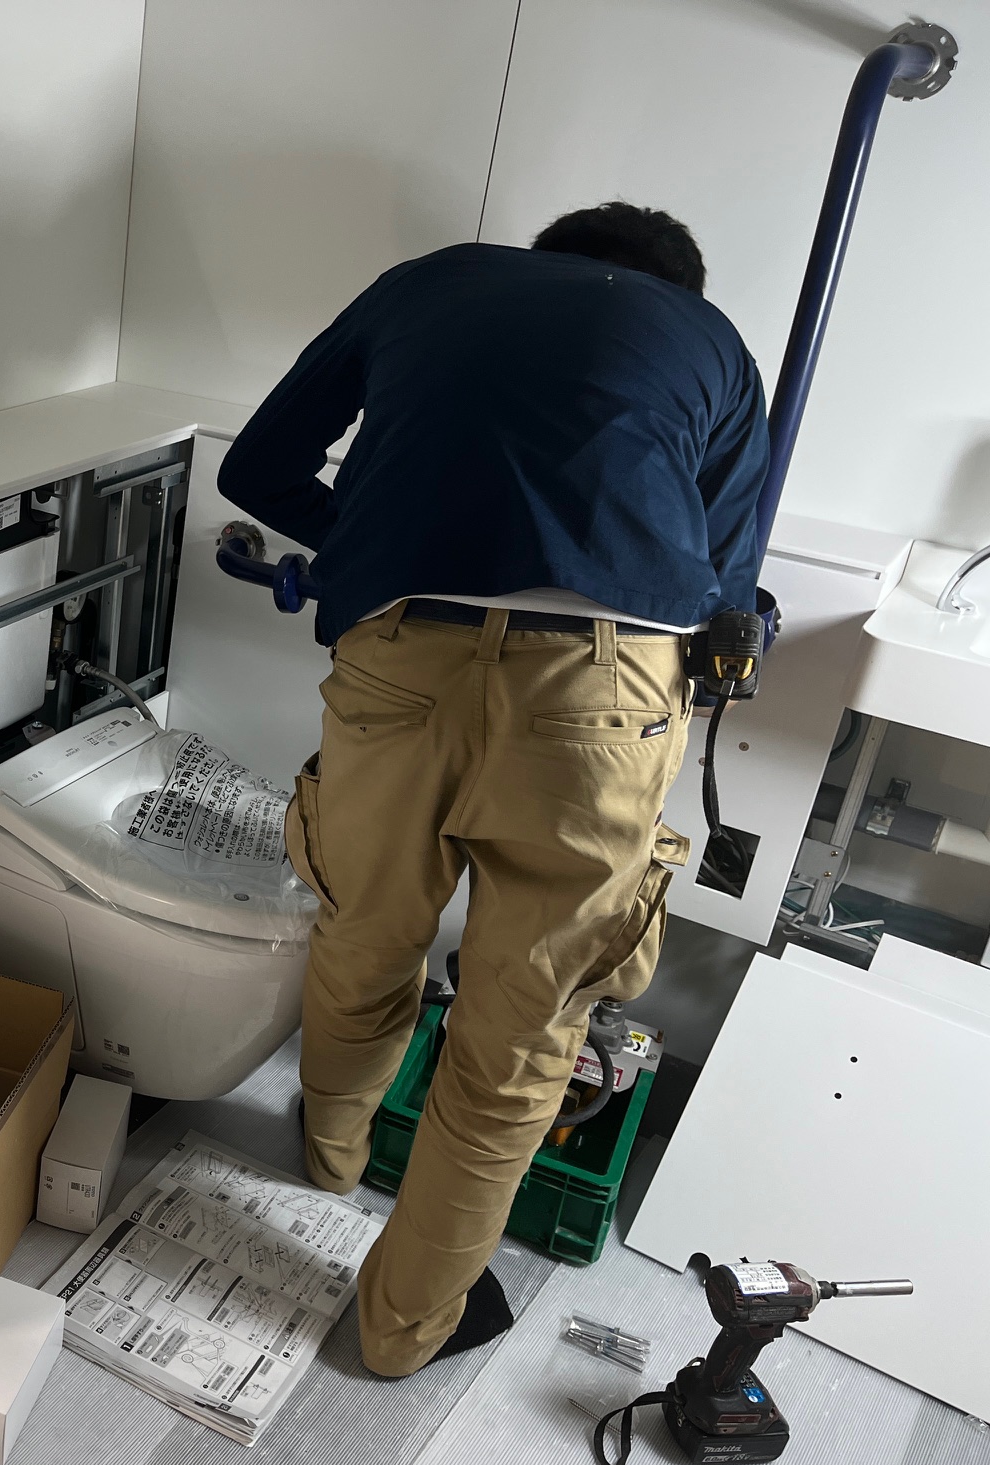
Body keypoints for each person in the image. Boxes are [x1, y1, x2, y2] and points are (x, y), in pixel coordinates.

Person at [218, 203, 768, 1377]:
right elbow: (727, 586)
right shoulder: (713, 345)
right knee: (523, 1029)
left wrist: (372, 538)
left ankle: (330, 1158)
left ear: (543, 258)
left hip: (401, 654)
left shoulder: (429, 281)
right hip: (601, 698)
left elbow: (256, 467)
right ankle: (402, 1329)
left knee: (365, 931)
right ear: (673, 292)